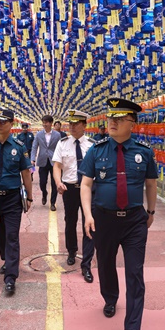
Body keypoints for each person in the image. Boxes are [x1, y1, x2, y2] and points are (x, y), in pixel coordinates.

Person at [80, 98, 158, 330]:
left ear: (132, 123)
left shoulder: (144, 152)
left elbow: (151, 184)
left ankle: (132, 328)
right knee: (104, 262)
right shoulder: (97, 150)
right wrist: (88, 215)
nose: (111, 122)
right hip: (104, 218)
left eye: (119, 118)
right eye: (110, 117)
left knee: (135, 272)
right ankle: (110, 297)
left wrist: (151, 211)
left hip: (135, 220)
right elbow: (86, 184)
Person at [0, 109, 33, 295]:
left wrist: (29, 197)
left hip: (13, 197)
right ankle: (7, 259)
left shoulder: (19, 146)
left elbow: (26, 173)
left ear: (11, 124)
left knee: (12, 235)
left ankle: (11, 277)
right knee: (0, 232)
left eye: (3, 121)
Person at [52, 109, 96, 283]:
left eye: (76, 123)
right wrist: (58, 182)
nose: (72, 126)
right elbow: (57, 166)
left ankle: (86, 263)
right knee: (70, 222)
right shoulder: (63, 143)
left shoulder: (92, 145)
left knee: (89, 222)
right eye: (70, 123)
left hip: (88, 190)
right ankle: (71, 251)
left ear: (84, 125)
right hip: (69, 189)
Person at [31, 115, 61, 211]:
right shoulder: (39, 134)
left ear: (51, 123)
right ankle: (44, 193)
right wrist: (33, 159)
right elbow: (34, 147)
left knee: (54, 183)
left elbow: (60, 148)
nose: (45, 124)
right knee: (42, 182)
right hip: (43, 161)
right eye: (43, 122)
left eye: (46, 122)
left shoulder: (57, 135)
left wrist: (61, 160)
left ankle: (53, 203)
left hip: (54, 161)